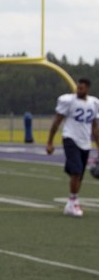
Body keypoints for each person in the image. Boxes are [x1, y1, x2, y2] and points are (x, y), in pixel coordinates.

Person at [45, 78, 99, 217]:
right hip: (70, 138)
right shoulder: (68, 101)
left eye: (82, 88)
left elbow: (94, 127)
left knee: (78, 174)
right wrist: (50, 142)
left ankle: (71, 202)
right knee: (76, 171)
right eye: (77, 88)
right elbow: (57, 121)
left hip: (85, 141)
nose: (79, 90)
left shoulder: (94, 103)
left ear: (87, 89)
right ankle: (73, 201)